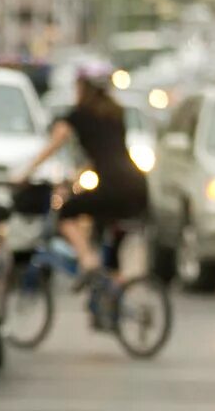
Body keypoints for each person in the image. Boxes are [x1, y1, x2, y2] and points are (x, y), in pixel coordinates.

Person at [11, 60, 149, 281]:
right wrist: (76, 178)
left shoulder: (77, 116)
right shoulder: (117, 113)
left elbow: (51, 147)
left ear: (82, 87)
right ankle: (115, 295)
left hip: (111, 188)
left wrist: (25, 173)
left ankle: (87, 260)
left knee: (65, 213)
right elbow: (106, 154)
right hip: (136, 186)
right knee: (109, 243)